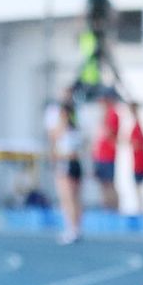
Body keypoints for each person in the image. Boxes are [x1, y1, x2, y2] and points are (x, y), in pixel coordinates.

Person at [49, 101, 85, 245]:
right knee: (73, 198)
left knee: (68, 198)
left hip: (67, 165)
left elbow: (69, 152)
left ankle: (72, 228)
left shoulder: (66, 130)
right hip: (73, 165)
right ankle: (75, 227)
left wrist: (58, 155)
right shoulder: (74, 129)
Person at [92, 94, 120, 210]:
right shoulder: (105, 115)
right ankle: (107, 207)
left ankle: (114, 208)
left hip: (108, 156)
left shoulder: (112, 114)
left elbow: (110, 134)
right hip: (100, 156)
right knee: (103, 184)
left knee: (109, 184)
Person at [129, 102, 143, 215]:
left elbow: (138, 144)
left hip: (140, 162)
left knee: (139, 187)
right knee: (138, 187)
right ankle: (140, 208)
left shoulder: (138, 127)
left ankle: (141, 209)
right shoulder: (137, 126)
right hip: (138, 161)